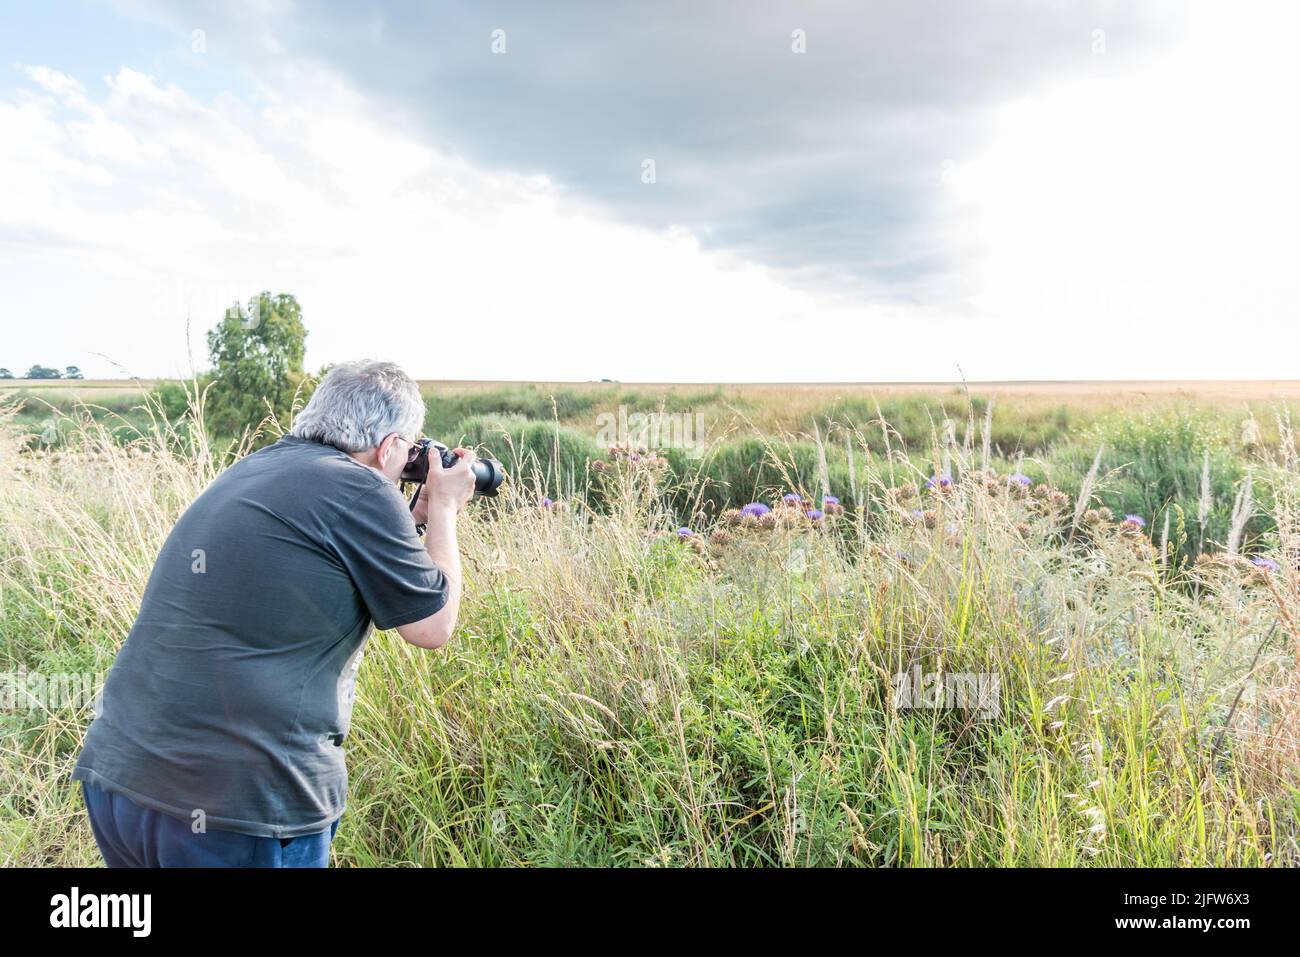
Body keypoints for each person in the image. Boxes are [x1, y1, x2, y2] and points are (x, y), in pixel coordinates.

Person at [71, 360, 475, 867]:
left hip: (123, 783)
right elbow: (433, 627)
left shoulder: (255, 467)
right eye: (410, 448)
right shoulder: (362, 489)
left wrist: (404, 523)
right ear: (390, 446)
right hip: (236, 813)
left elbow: (320, 557)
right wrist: (444, 510)